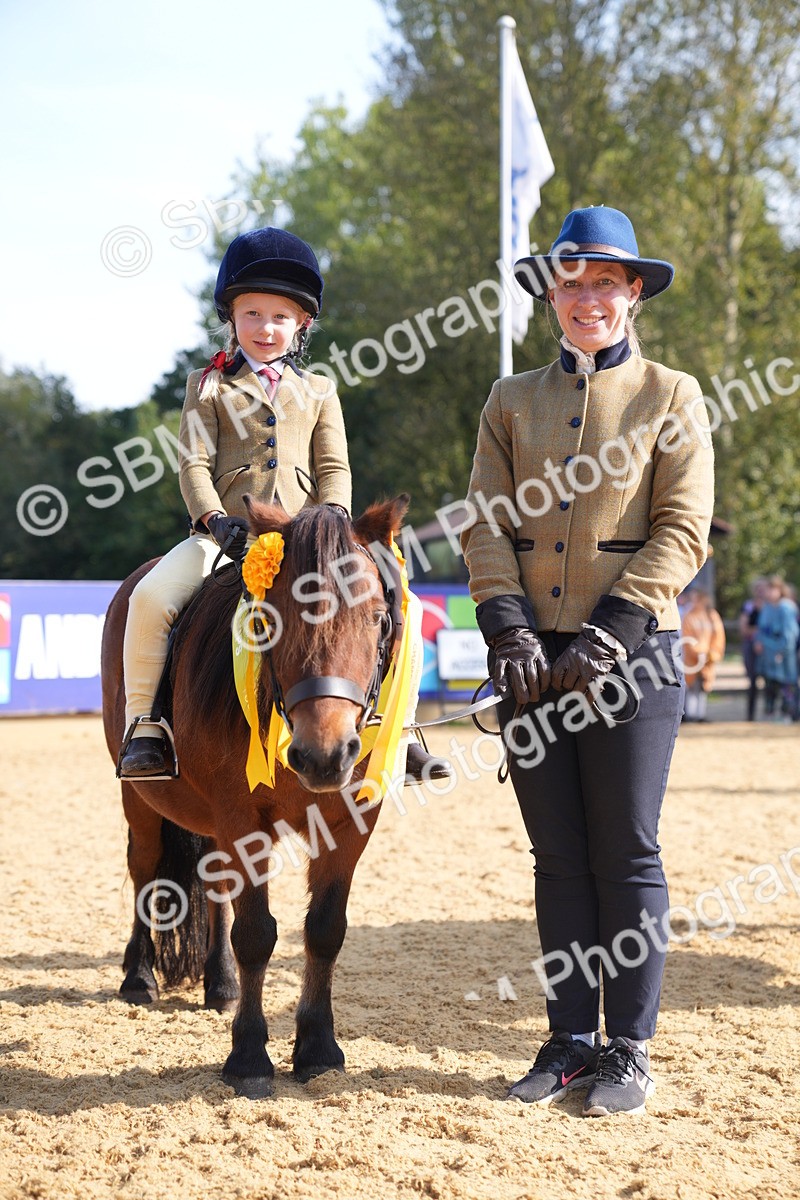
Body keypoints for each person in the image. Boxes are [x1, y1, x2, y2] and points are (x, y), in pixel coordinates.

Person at [461, 206, 714, 1116]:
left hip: (632, 659)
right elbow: (484, 523)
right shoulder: (508, 400)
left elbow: (682, 531)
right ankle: (569, 1039)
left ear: (634, 293)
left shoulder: (672, 396)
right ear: (551, 295)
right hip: (531, 663)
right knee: (558, 857)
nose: (589, 297)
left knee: (627, 852)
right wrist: (512, 632)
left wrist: (609, 630)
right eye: (573, 281)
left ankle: (628, 1049)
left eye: (607, 281)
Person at [120, 227, 450, 784]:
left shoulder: (320, 390)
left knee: (405, 606)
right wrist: (214, 520)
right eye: (252, 314)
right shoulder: (208, 387)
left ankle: (406, 728)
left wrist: (337, 523)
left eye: (279, 317)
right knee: (151, 596)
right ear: (233, 319)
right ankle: (146, 727)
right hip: (225, 537)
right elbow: (193, 465)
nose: (265, 328)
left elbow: (334, 470)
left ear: (302, 325)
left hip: (309, 541)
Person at [753, 576, 799, 722]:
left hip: (784, 653)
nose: (769, 592)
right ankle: (771, 714)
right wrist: (758, 642)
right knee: (770, 684)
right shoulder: (766, 607)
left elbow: (790, 633)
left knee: (787, 684)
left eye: (772, 589)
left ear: (780, 590)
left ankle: (789, 714)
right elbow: (760, 629)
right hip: (768, 653)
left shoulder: (786, 607)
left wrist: (782, 651)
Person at [680, 588, 726, 722]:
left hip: (708, 659)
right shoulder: (689, 616)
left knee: (703, 687)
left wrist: (711, 654)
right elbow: (687, 637)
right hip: (692, 659)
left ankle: (700, 714)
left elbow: (718, 636)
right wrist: (697, 653)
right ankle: (690, 714)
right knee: (691, 687)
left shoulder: (712, 615)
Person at [738, 578, 767, 721]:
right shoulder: (749, 606)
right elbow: (744, 629)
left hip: (768, 647)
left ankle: (770, 712)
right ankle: (751, 715)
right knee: (752, 681)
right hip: (751, 646)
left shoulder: (770, 607)